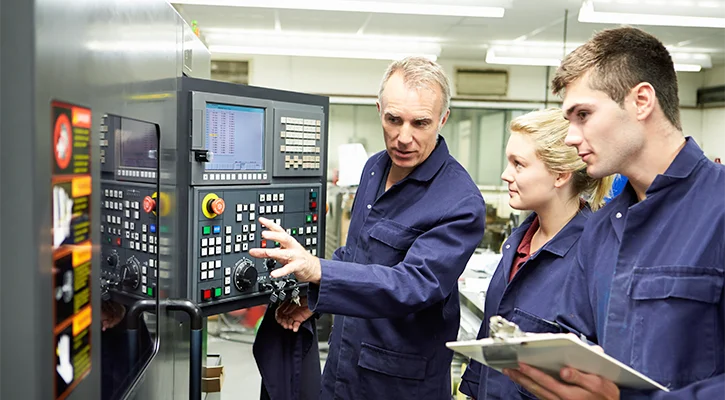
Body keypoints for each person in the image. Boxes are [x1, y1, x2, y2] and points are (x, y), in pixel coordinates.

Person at [504, 26, 725, 399]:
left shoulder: (717, 207)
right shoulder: (602, 227)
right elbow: (577, 338)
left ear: (641, 101)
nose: (571, 136)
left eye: (583, 115)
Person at [250, 56, 486, 399]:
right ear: (380, 111)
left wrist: (318, 270)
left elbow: (413, 285)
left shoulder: (460, 202)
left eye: (420, 123)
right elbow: (357, 254)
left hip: (400, 384)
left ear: (442, 119)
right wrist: (317, 300)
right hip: (344, 367)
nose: (404, 137)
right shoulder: (374, 168)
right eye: (394, 120)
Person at [458, 108, 613, 399]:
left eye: (519, 164)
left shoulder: (595, 256)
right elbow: (490, 349)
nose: (505, 175)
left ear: (560, 175)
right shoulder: (517, 244)